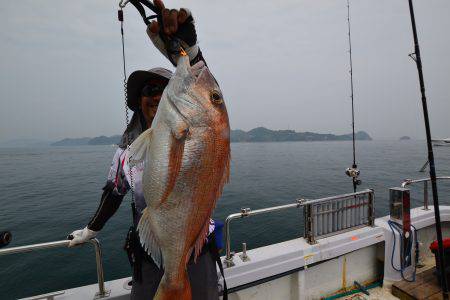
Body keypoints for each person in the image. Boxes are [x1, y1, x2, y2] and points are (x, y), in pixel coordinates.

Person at [68, 1, 220, 299]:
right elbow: (113, 193)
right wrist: (91, 229)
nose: (154, 96)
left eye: (162, 89)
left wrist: (190, 50)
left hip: (197, 249)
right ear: (138, 102)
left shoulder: (193, 129)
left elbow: (208, 101)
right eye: (147, 91)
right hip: (150, 254)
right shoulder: (128, 151)